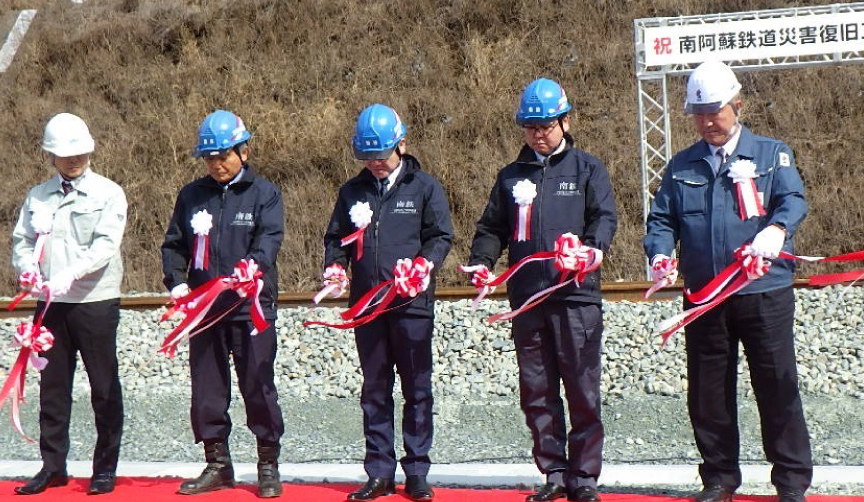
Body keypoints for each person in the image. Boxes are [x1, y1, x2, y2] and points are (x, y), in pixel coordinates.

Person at [644, 61, 812, 502]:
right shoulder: (683, 164)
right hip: (704, 295)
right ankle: (719, 478)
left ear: (738, 105)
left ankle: (791, 482)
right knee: (708, 391)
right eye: (698, 114)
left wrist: (777, 230)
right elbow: (662, 219)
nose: (707, 122)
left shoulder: (771, 154)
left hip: (762, 291)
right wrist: (660, 253)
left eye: (715, 111)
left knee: (776, 385)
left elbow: (792, 200)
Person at [465, 79, 618, 502]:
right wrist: (482, 262)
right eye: (531, 127)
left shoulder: (588, 168)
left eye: (546, 125)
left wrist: (593, 250)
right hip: (527, 298)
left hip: (575, 296)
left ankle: (584, 478)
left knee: (582, 388)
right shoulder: (510, 177)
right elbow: (491, 229)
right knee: (536, 389)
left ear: (565, 122)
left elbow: (604, 217)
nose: (538, 133)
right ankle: (553, 471)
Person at [320, 104, 453, 501]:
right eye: (368, 157)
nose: (376, 163)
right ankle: (379, 471)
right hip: (368, 305)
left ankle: (416, 471)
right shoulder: (351, 191)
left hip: (410, 304)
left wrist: (425, 265)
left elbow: (440, 236)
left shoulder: (424, 187)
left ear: (401, 144)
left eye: (382, 155)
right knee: (375, 388)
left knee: (417, 388)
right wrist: (335, 267)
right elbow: (335, 239)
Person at [161, 110, 285, 498]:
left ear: (243, 151)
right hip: (204, 310)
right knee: (208, 388)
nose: (217, 164)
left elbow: (269, 240)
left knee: (258, 385)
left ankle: (267, 464)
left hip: (250, 308)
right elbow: (174, 245)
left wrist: (254, 267)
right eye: (210, 157)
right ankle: (217, 463)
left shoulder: (264, 193)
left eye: (224, 155)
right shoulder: (192, 195)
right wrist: (178, 283)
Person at [11, 113, 127, 495]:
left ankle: (105, 468)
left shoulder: (108, 192)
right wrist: (27, 270)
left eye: (79, 152)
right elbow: (22, 240)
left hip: (94, 300)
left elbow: (106, 245)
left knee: (104, 385)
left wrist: (73, 272)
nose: (73, 159)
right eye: (65, 154)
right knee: (53, 387)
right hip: (50, 303)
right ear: (51, 156)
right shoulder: (38, 195)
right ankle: (52, 465)